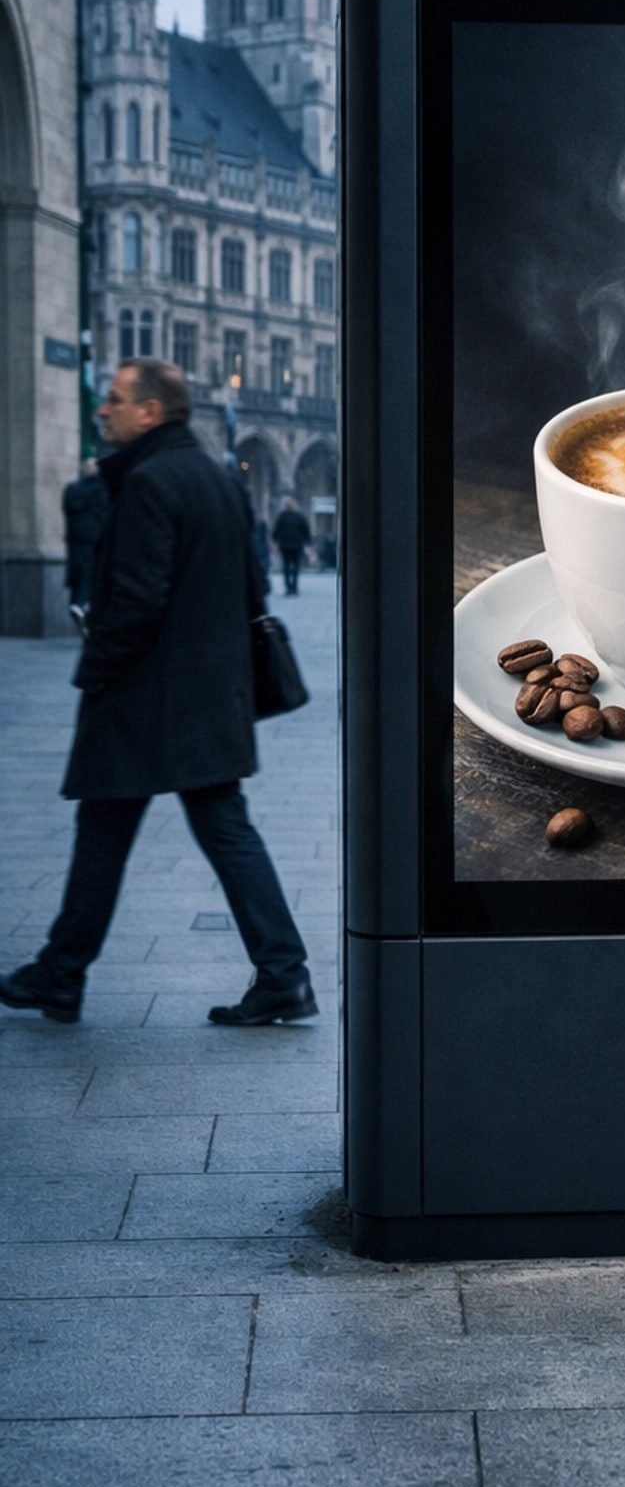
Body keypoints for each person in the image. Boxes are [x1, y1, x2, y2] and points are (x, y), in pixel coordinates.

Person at [0, 359, 316, 1029]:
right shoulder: (215, 475)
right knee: (191, 828)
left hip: (149, 693)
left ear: (150, 412)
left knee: (120, 828)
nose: (101, 409)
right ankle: (280, 974)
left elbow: (137, 602)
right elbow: (251, 583)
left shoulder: (148, 480)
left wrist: (96, 668)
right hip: (206, 690)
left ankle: (64, 973)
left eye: (114, 400)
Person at [62, 456, 109, 611]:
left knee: (79, 573)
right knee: (88, 573)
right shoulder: (102, 489)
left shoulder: (72, 489)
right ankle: (83, 604)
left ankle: (78, 602)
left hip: (77, 539)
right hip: (92, 539)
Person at [271, 496, 311, 596]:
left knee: (287, 567)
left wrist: (275, 540)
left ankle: (290, 587)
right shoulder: (299, 516)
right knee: (294, 567)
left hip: (286, 545)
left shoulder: (282, 516)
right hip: (296, 545)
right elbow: (306, 529)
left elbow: (276, 530)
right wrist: (308, 542)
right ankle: (293, 587)